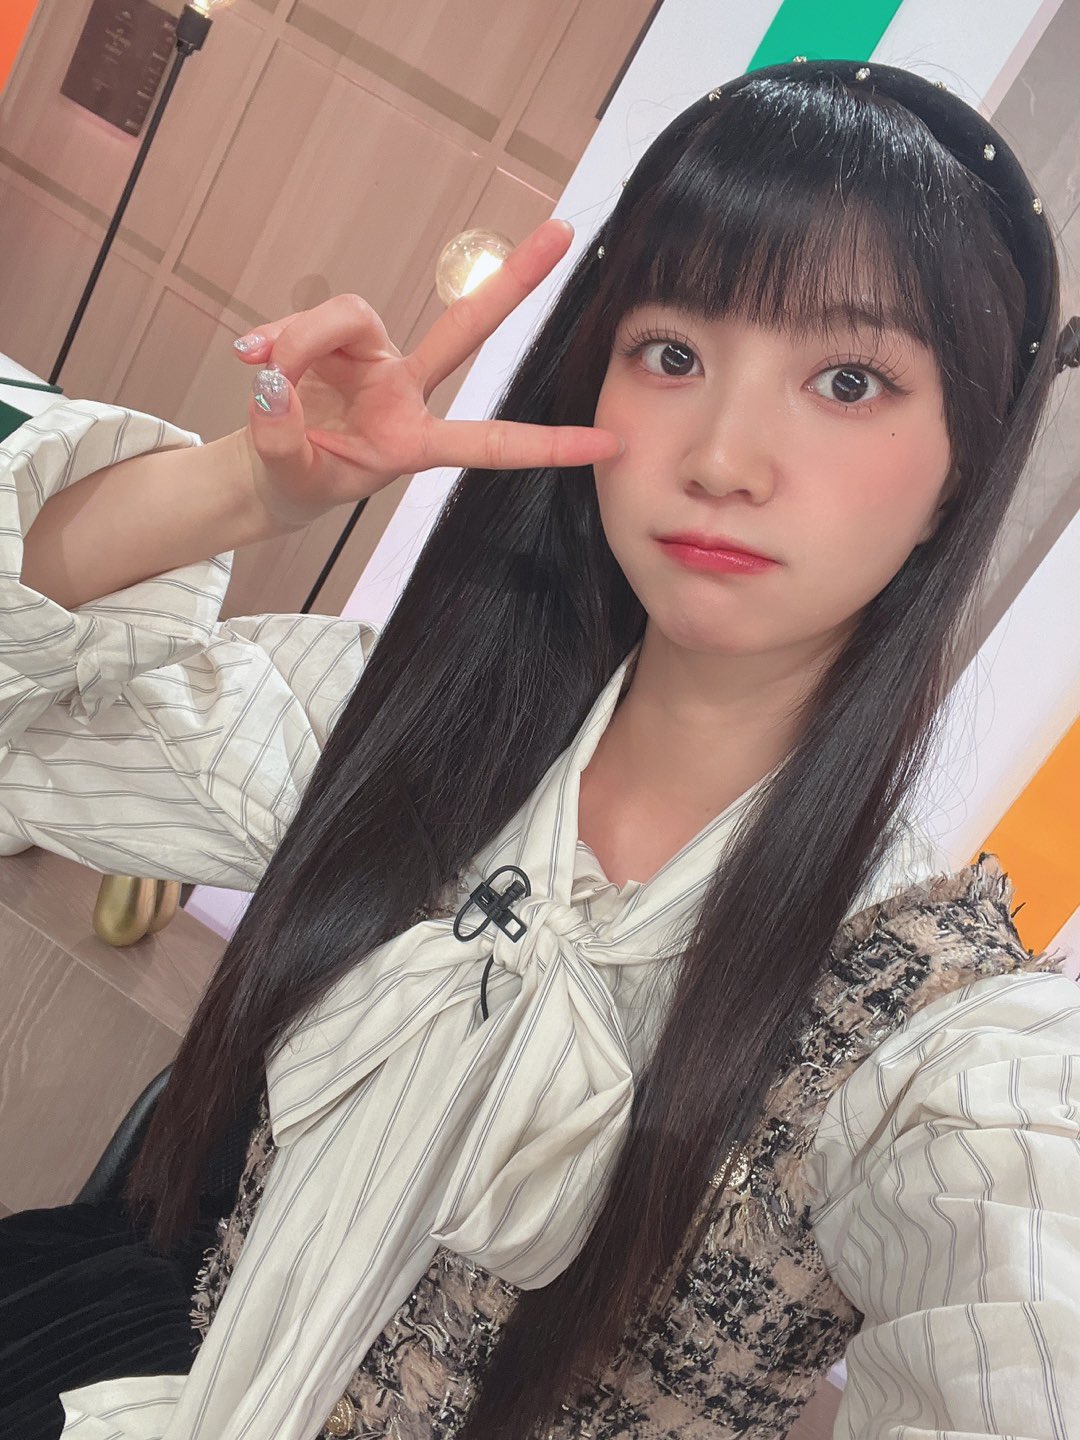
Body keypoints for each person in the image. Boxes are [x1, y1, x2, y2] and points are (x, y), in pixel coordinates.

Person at [0, 56, 1078, 1440]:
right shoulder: (408, 731)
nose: (723, 458)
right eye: (672, 355)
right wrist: (242, 487)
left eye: (849, 380)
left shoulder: (937, 1032)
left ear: (962, 466)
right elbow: (29, 722)